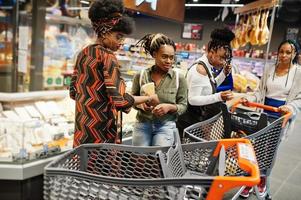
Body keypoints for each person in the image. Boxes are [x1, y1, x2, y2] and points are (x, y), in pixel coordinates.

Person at [69, 0, 159, 147]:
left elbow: (73, 92)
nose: (122, 42)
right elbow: (121, 100)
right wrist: (148, 98)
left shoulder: (83, 53)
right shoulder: (107, 57)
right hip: (102, 134)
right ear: (104, 32)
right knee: (100, 169)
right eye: (118, 36)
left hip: (82, 131)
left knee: (81, 168)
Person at [240, 39, 301, 198]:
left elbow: (299, 98)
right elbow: (260, 91)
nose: (284, 55)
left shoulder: (298, 73)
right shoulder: (269, 69)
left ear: (294, 54)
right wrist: (249, 98)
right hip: (263, 113)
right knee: (255, 147)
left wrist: (290, 107)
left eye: (288, 52)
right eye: (282, 51)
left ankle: (261, 181)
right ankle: (249, 180)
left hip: (280, 117)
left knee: (269, 152)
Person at [131, 33, 188, 146]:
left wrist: (169, 107)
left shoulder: (178, 78)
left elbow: (183, 105)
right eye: (164, 56)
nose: (168, 61)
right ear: (154, 54)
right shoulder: (141, 75)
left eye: (171, 57)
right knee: (139, 160)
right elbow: (132, 99)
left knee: (158, 160)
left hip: (165, 126)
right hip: (142, 124)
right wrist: (140, 105)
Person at [177, 28, 235, 138]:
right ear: (211, 52)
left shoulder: (207, 66)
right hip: (188, 124)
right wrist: (219, 96)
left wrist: (223, 74)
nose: (223, 62)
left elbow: (209, 87)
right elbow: (193, 99)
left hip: (195, 123)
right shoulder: (200, 70)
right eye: (221, 58)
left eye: (225, 59)